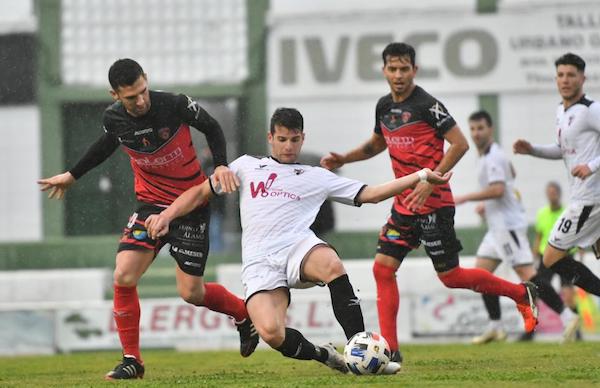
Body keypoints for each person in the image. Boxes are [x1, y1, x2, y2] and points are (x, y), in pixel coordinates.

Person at [145, 107, 452, 375]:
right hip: (259, 263)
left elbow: (370, 194)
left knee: (331, 263)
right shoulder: (245, 167)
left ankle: (361, 349)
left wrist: (421, 175)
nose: (288, 146)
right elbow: (199, 193)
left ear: (302, 138)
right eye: (282, 139)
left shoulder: (316, 175)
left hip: (298, 248)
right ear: (270, 138)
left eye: (294, 139)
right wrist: (167, 216)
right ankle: (327, 356)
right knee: (270, 332)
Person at [37, 59, 258, 380]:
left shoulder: (175, 104)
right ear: (115, 95)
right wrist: (72, 175)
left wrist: (221, 164)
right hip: (151, 205)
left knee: (192, 293)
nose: (140, 101)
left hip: (191, 204)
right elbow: (105, 145)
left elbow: (211, 126)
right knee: (124, 274)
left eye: (142, 91)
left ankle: (242, 314)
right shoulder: (114, 119)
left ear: (146, 80)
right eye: (131, 97)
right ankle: (132, 360)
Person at [321, 42, 538, 362]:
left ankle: (521, 293)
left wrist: (429, 179)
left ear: (414, 70)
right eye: (392, 69)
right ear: (384, 71)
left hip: (435, 205)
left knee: (451, 277)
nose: (398, 75)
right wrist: (345, 158)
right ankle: (391, 352)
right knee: (382, 269)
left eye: (404, 69)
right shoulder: (383, 107)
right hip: (403, 207)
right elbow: (376, 144)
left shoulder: (427, 105)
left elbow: (460, 144)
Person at [454, 111, 579, 344]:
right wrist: (489, 204)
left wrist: (466, 198)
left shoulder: (493, 156)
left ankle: (567, 315)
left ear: (490, 129)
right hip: (496, 228)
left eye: (480, 128)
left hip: (507, 227)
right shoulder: (484, 156)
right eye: (472, 129)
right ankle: (496, 326)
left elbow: (499, 189)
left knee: (529, 276)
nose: (476, 133)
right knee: (480, 275)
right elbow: (511, 176)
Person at [513, 52, 600, 304]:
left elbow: (586, 160)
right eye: (561, 75)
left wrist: (592, 166)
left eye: (571, 75)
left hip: (589, 198)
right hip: (584, 196)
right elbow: (563, 151)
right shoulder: (561, 111)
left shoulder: (591, 110)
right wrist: (532, 150)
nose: (565, 80)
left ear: (583, 78)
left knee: (550, 258)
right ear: (555, 78)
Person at [520, 181, 582, 341]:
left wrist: (580, 253)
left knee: (569, 295)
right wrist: (533, 257)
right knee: (537, 292)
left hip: (565, 257)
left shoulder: (567, 213)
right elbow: (539, 237)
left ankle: (576, 331)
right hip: (545, 258)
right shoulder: (542, 213)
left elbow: (578, 235)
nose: (551, 195)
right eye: (549, 192)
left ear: (559, 194)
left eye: (554, 192)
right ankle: (530, 331)